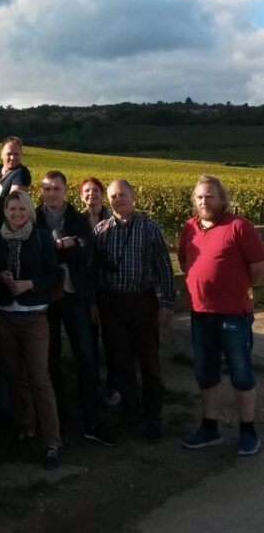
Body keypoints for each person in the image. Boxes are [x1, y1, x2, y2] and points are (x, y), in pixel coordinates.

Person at [178, 174, 264, 456]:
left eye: (210, 196)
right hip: (200, 314)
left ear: (221, 199)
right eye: (200, 197)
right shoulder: (189, 228)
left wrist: (238, 288)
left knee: (241, 373)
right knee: (205, 373)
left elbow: (258, 268)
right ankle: (209, 428)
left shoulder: (239, 226)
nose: (204, 201)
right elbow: (183, 260)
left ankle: (248, 430)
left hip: (233, 315)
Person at [36, 171, 116, 446]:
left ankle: (92, 421)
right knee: (51, 359)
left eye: (56, 189)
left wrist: (52, 249)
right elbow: (36, 254)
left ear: (66, 191)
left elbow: (84, 250)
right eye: (47, 189)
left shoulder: (78, 219)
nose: (52, 193)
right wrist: (61, 244)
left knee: (86, 358)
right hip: (46, 297)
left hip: (75, 295)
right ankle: (60, 421)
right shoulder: (34, 217)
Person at [93, 180, 175, 443]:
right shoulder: (101, 230)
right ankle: (131, 415)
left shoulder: (149, 228)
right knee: (121, 362)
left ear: (133, 196)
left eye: (122, 194)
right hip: (112, 304)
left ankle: (153, 417)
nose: (118, 200)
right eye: (113, 196)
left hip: (142, 301)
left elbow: (163, 266)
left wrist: (167, 303)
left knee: (149, 361)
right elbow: (94, 271)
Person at [0, 191, 63, 469]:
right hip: (5, 315)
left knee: (39, 378)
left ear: (29, 211)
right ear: (5, 211)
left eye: (22, 210)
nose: (17, 214)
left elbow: (55, 275)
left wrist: (28, 284)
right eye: (11, 209)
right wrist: (2, 276)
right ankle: (26, 427)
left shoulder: (41, 237)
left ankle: (52, 442)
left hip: (34, 316)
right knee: (15, 375)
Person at [79, 176, 119, 408]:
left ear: (101, 194)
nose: (91, 194)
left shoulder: (113, 218)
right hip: (87, 289)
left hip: (110, 288)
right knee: (90, 342)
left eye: (95, 190)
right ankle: (91, 389)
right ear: (82, 195)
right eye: (87, 191)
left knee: (113, 341)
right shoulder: (78, 220)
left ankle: (114, 386)